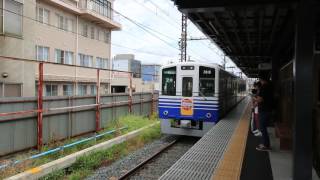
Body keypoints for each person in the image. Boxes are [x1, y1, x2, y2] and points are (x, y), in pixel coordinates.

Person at [254, 73, 273, 151]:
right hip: (268, 109)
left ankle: (266, 145)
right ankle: (265, 143)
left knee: (262, 127)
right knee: (263, 127)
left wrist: (255, 99)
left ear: (261, 79)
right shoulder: (270, 86)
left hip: (264, 110)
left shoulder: (264, 87)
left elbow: (260, 99)